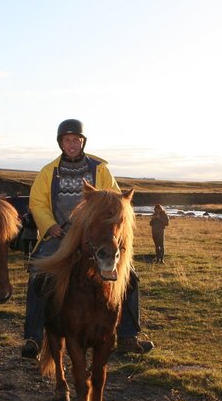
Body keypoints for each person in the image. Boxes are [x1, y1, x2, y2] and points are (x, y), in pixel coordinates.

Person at [21, 119, 154, 359]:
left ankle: (128, 335)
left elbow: (115, 202)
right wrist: (49, 226)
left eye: (76, 140)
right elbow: (38, 203)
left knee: (130, 277)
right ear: (60, 143)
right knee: (37, 274)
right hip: (60, 233)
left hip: (95, 235)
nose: (72, 144)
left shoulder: (99, 170)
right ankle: (32, 337)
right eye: (67, 140)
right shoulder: (48, 172)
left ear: (83, 142)